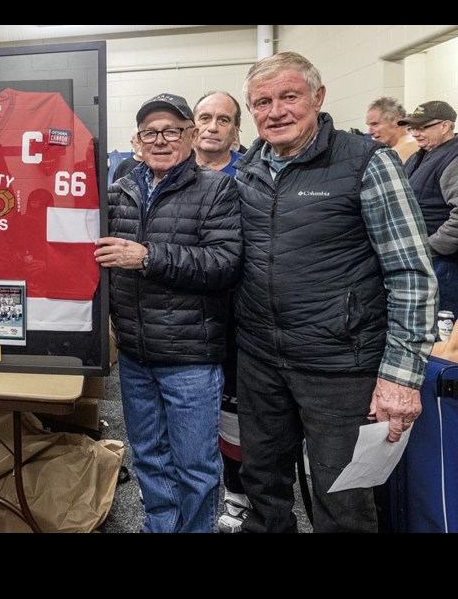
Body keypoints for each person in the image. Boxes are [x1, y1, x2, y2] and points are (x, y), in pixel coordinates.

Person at [235, 52, 437, 533]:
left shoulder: (368, 161)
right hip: (261, 361)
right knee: (262, 487)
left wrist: (402, 377)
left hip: (340, 364)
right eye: (262, 101)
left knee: (342, 500)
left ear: (318, 97)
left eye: (289, 96)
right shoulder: (249, 168)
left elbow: (410, 271)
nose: (276, 110)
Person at [96, 93, 241, 532]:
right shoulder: (118, 193)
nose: (160, 140)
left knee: (195, 465)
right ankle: (160, 527)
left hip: (191, 358)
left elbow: (224, 263)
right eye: (150, 132)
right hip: (137, 355)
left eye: (172, 130)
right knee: (150, 459)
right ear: (136, 140)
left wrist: (148, 257)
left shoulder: (217, 188)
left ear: (191, 136)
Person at [192, 90, 248, 532]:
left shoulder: (251, 176)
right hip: (180, 318)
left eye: (223, 120)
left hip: (235, 317)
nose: (212, 126)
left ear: (235, 129)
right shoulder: (166, 170)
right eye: (204, 118)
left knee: (233, 412)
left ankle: (236, 491)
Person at [398, 100, 458, 316]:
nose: (415, 133)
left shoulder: (454, 158)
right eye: (412, 127)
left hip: (443, 263)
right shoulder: (418, 156)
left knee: (440, 331)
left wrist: (431, 247)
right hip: (422, 258)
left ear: (445, 126)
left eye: (423, 127)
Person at [366, 97, 420, 165]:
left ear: (397, 122)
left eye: (375, 124)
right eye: (369, 125)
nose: (370, 132)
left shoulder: (407, 146)